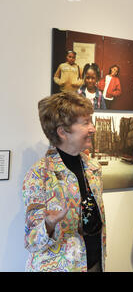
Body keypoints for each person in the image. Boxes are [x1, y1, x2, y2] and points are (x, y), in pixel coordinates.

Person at [22, 92, 106, 272]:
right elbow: (31, 241)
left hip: (93, 265)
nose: (93, 128)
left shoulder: (93, 168)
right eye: (85, 123)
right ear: (63, 132)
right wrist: (49, 224)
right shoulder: (39, 174)